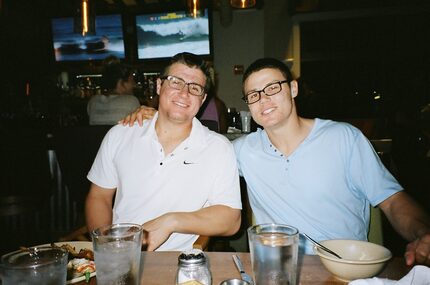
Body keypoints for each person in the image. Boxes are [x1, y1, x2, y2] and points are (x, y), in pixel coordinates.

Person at [120, 58, 430, 266]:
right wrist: (154, 117)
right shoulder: (240, 150)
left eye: (272, 88)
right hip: (274, 272)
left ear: (293, 88)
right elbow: (191, 153)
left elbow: (392, 201)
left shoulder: (343, 139)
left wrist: (422, 235)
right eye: (253, 95)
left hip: (343, 269)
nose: (263, 99)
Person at [85, 52, 242, 251]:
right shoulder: (120, 135)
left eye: (195, 88)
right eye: (176, 82)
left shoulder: (218, 148)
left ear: (202, 100)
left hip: (179, 266)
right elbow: (99, 196)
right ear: (159, 85)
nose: (184, 93)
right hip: (120, 256)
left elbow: (231, 219)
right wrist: (107, 248)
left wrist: (171, 222)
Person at [87, 56, 140, 125]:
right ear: (121, 82)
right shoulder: (132, 101)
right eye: (131, 80)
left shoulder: (93, 101)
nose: (134, 84)